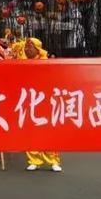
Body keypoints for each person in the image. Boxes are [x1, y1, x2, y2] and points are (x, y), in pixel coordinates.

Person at [17, 37, 62, 172]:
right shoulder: (22, 63)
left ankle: (53, 160)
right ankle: (34, 160)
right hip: (29, 101)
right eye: (26, 47)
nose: (27, 49)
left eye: (30, 47)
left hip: (46, 101)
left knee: (49, 132)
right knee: (31, 132)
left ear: (37, 49)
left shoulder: (46, 62)